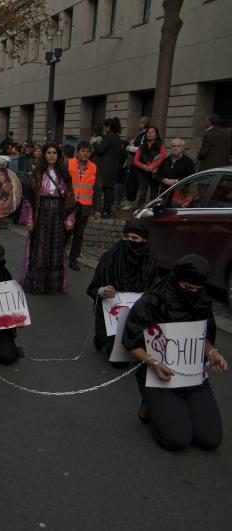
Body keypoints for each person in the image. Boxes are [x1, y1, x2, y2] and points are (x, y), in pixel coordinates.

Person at [122, 254, 227, 451]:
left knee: (210, 439)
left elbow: (203, 337)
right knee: (178, 439)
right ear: (175, 279)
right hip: (157, 374)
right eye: (187, 288)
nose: (192, 293)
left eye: (197, 289)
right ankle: (152, 407)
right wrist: (153, 363)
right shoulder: (152, 301)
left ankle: (173, 408)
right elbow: (131, 343)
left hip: (191, 376)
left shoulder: (202, 302)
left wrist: (213, 353)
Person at [87, 219, 159, 357]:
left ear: (144, 240)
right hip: (112, 314)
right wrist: (104, 291)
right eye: (126, 237)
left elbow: (154, 291)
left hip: (136, 314)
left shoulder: (151, 262)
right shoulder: (110, 258)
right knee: (117, 360)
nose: (129, 241)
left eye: (134, 238)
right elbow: (94, 288)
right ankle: (103, 338)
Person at [19, 143, 75, 295]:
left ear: (58, 155)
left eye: (54, 153)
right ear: (44, 155)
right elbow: (29, 199)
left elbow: (70, 198)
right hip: (41, 213)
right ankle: (38, 284)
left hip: (58, 214)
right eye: (49, 152)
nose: (51, 155)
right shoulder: (37, 174)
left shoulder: (64, 174)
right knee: (40, 247)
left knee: (56, 248)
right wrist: (30, 219)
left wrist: (70, 218)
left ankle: (53, 285)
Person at [66, 141, 101, 271]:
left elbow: (97, 189)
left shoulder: (93, 167)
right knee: (66, 232)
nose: (85, 154)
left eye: (88, 151)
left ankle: (73, 259)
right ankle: (60, 255)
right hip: (69, 204)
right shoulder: (69, 164)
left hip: (85, 205)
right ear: (78, 152)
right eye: (83, 151)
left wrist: (98, 209)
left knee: (79, 234)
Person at [94, 118, 122, 218]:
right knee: (109, 188)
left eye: (104, 127)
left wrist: (94, 143)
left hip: (105, 167)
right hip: (113, 166)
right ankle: (108, 210)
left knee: (104, 188)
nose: (103, 129)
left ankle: (104, 210)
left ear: (108, 127)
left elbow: (100, 150)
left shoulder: (108, 137)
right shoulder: (118, 138)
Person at [134, 126, 167, 207]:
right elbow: (135, 160)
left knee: (154, 194)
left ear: (156, 134)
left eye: (152, 132)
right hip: (143, 172)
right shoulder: (142, 146)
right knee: (142, 194)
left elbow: (163, 158)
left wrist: (153, 166)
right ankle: (140, 210)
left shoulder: (160, 145)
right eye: (148, 132)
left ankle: (153, 211)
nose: (150, 134)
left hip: (154, 173)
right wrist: (144, 167)